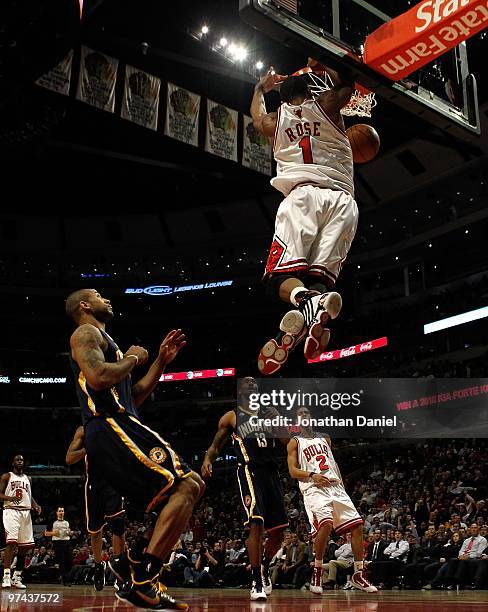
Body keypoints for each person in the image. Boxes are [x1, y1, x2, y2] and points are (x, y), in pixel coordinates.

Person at [66, 288, 205, 610]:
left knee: (190, 487)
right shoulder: (85, 333)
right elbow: (99, 377)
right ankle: (143, 577)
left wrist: (159, 361)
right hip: (109, 425)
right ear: (85, 305)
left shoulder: (105, 341)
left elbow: (135, 395)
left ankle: (136, 568)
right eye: (101, 295)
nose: (108, 299)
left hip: (122, 421)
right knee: (185, 484)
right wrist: (133, 357)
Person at [251, 61, 358, 375]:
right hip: (344, 203)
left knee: (278, 280)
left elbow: (257, 116)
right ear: (311, 90)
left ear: (284, 99)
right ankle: (312, 310)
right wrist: (329, 62)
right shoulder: (327, 104)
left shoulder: (275, 120)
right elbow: (347, 85)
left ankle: (305, 303)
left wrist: (260, 88)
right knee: (318, 281)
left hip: (302, 197)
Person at [201, 377, 288, 601]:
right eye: (246, 384)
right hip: (250, 471)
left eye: (254, 384)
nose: (251, 385)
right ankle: (256, 581)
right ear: (240, 391)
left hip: (272, 472)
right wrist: (208, 460)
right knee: (256, 522)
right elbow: (215, 444)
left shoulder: (270, 412)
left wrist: (278, 422)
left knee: (279, 532)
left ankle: (265, 566)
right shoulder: (232, 416)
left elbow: (286, 441)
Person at [287, 407, 376, 594]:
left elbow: (333, 463)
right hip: (314, 488)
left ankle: (358, 574)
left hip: (335, 487)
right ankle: (317, 571)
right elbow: (293, 471)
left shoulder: (325, 437)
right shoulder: (294, 442)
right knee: (325, 525)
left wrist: (341, 484)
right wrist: (312, 475)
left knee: (357, 526)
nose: (304, 416)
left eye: (307, 413)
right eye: (300, 414)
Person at [65, 426, 126, 591]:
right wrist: (87, 449)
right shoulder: (83, 430)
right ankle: (99, 566)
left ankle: (121, 570)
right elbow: (69, 459)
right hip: (94, 484)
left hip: (114, 480)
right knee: (95, 530)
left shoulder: (116, 423)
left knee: (118, 524)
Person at [1, 454, 42, 589]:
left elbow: (29, 495)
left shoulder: (28, 478)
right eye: (17, 460)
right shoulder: (7, 476)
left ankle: (17, 577)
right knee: (11, 543)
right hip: (11, 510)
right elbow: (0, 494)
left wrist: (36, 505)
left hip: (26, 512)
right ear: (13, 463)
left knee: (25, 547)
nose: (20, 462)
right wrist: (10, 498)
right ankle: (6, 576)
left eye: (22, 460)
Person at [44, 507, 73, 586]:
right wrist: (53, 533)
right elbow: (46, 533)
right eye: (60, 511)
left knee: (70, 561)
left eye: (62, 511)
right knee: (62, 561)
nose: (61, 512)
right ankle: (65, 580)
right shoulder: (52, 522)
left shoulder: (67, 522)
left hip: (67, 542)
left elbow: (69, 531)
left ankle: (66, 577)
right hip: (58, 543)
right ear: (57, 512)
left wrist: (70, 532)